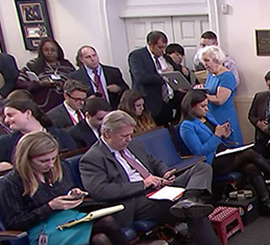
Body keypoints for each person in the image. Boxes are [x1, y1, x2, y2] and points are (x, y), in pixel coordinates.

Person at [79, 110, 220, 245]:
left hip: (158, 187)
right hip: (136, 200)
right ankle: (188, 204)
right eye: (124, 136)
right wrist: (143, 184)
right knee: (194, 211)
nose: (129, 139)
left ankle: (189, 199)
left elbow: (153, 161)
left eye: (130, 135)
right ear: (107, 134)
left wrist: (165, 172)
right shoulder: (93, 158)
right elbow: (101, 191)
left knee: (202, 168)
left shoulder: (133, 144)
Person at [179, 90, 270, 220]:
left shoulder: (208, 117)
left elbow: (226, 140)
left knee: (251, 167)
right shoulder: (186, 126)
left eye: (207, 105)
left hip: (225, 154)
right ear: (192, 106)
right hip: (211, 162)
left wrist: (227, 133)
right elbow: (199, 152)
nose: (206, 109)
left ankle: (268, 205)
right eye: (203, 106)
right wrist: (216, 135)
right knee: (250, 153)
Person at [0, 131, 129, 245]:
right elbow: (15, 222)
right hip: (43, 229)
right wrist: (50, 207)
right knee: (105, 226)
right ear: (26, 158)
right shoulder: (11, 182)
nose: (50, 165)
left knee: (101, 237)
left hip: (69, 218)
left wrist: (72, 194)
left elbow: (64, 194)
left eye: (53, 158)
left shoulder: (59, 167)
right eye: (44, 161)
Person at [0, 100, 77, 173]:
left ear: (28, 113)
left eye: (10, 115)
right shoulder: (5, 143)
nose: (6, 120)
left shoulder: (61, 135)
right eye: (5, 116)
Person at [128, 31, 177, 126]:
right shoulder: (137, 56)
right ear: (150, 44)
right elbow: (140, 77)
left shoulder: (165, 57)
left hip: (166, 102)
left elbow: (175, 71)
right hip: (149, 102)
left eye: (164, 47)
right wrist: (163, 76)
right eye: (160, 47)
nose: (163, 51)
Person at [16, 37, 77, 111]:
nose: (50, 52)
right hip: (42, 103)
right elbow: (20, 83)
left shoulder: (67, 65)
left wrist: (64, 84)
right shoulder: (33, 64)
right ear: (41, 51)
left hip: (65, 100)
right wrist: (40, 84)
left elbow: (76, 81)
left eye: (53, 50)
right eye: (46, 50)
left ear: (58, 51)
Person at [198, 46, 243, 145]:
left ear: (216, 60)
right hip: (211, 115)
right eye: (203, 61)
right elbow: (209, 90)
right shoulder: (211, 74)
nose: (204, 64)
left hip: (223, 116)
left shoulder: (227, 76)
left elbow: (220, 100)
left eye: (207, 60)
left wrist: (201, 94)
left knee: (229, 147)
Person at [68, 45, 129, 109]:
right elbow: (74, 100)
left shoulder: (113, 72)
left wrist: (118, 89)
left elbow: (127, 91)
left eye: (94, 55)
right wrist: (87, 100)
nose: (93, 59)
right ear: (81, 60)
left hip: (114, 110)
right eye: (88, 57)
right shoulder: (75, 77)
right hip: (91, 112)